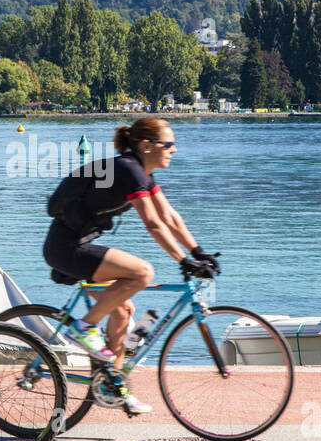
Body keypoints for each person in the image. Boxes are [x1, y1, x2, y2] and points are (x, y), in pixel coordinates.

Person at [43, 116, 219, 415]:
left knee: (124, 309)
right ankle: (84, 327)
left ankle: (114, 387)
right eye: (169, 144)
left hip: (78, 244)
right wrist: (182, 260)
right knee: (142, 272)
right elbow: (152, 222)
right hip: (66, 248)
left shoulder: (143, 174)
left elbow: (170, 217)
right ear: (146, 145)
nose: (174, 150)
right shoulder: (128, 170)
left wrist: (198, 251)